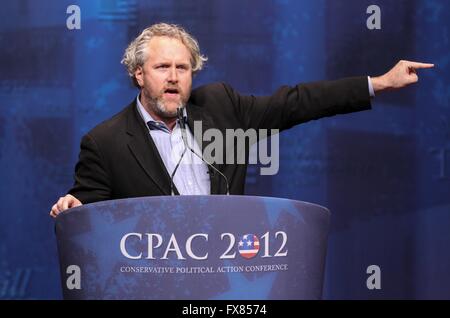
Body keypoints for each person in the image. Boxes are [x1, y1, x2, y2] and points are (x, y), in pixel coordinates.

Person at [49, 22, 433, 218]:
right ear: (138, 73)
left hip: (226, 275)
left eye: (183, 67)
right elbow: (89, 209)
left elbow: (295, 103)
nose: (173, 76)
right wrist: (72, 206)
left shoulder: (221, 106)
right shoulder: (105, 141)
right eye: (162, 66)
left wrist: (377, 84)